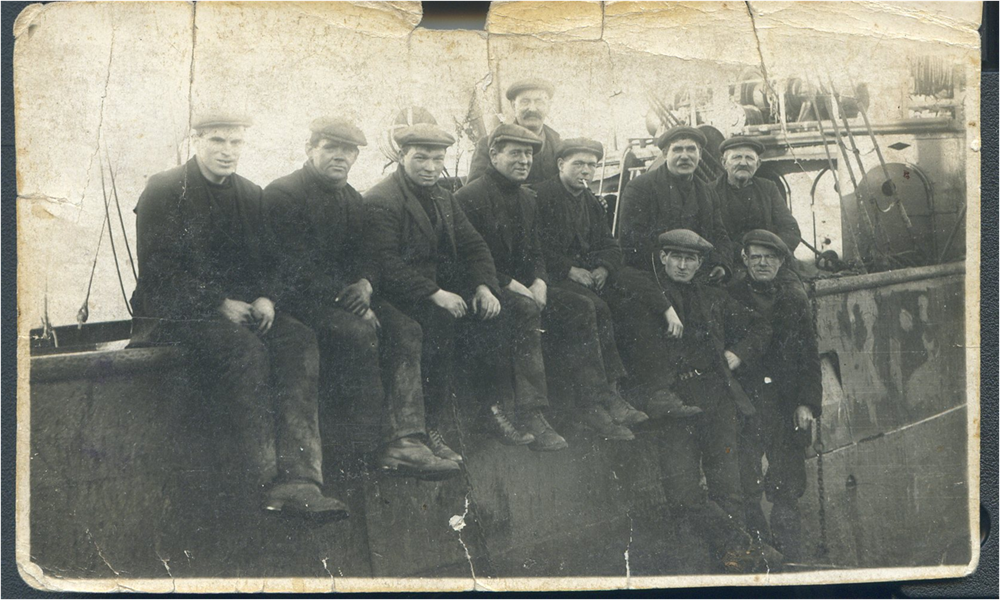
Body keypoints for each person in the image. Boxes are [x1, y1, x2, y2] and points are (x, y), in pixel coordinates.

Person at [129, 112, 347, 519]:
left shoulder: (250, 194)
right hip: (174, 315)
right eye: (218, 141)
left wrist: (266, 297)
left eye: (236, 142)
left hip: (239, 310)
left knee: (298, 339)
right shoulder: (164, 189)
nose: (228, 151)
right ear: (196, 140)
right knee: (246, 351)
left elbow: (270, 261)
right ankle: (263, 481)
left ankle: (302, 479)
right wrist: (217, 302)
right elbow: (159, 270)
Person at [263, 117, 460, 480]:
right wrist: (350, 301)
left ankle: (405, 441)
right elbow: (291, 265)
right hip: (302, 301)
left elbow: (369, 254)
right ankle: (357, 449)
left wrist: (367, 285)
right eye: (331, 148)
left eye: (349, 151)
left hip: (349, 296)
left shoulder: (352, 198)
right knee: (357, 333)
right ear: (310, 149)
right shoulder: (284, 194)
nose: (340, 157)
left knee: (406, 328)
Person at [364, 123, 541, 449]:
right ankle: (431, 427)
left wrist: (484, 287)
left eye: (438, 159)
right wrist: (435, 294)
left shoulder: (443, 198)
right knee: (439, 323)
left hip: (437, 291)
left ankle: (491, 412)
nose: (431, 167)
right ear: (402, 156)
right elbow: (385, 264)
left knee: (496, 311)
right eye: (421, 158)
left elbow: (475, 246)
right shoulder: (382, 199)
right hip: (399, 296)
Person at [619, 229, 776, 571]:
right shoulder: (648, 293)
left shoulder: (713, 297)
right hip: (674, 403)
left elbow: (760, 327)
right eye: (676, 257)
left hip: (717, 397)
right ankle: (744, 552)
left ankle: (732, 570)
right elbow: (624, 277)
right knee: (682, 494)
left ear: (700, 262)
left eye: (690, 259)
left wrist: (737, 354)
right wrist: (665, 308)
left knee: (729, 491)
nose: (683, 265)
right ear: (663, 257)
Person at [531, 137, 650, 437]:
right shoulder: (539, 197)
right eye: (578, 164)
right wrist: (568, 270)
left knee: (628, 303)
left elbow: (609, 244)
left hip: (586, 277)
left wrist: (603, 268)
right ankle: (594, 403)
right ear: (561, 164)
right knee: (590, 308)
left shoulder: (591, 202)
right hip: (550, 277)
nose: (585, 171)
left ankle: (616, 392)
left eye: (591, 165)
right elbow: (533, 248)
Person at [729, 230, 822, 561]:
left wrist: (807, 403)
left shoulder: (793, 298)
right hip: (746, 404)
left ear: (782, 261)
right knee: (746, 484)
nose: (762, 263)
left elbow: (808, 354)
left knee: (787, 485)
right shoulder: (729, 297)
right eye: (755, 256)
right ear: (744, 259)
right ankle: (761, 557)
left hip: (785, 403)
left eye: (770, 257)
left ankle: (789, 556)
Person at [617, 126, 733, 281]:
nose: (684, 156)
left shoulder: (708, 192)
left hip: (698, 273)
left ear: (700, 154)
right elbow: (631, 242)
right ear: (665, 154)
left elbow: (720, 235)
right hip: (652, 274)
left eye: (691, 149)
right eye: (677, 149)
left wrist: (721, 263)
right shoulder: (640, 187)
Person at [713, 136, 802, 268]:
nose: (743, 163)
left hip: (769, 262)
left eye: (749, 158)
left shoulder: (769, 188)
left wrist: (771, 252)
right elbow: (710, 236)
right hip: (728, 263)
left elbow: (790, 229)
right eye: (736, 157)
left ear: (758, 164)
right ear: (724, 163)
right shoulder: (710, 191)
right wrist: (742, 254)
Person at [467, 78, 561, 185]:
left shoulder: (559, 146)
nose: (532, 109)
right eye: (525, 102)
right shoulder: (489, 144)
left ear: (548, 106)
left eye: (539, 102)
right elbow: (474, 190)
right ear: (513, 105)